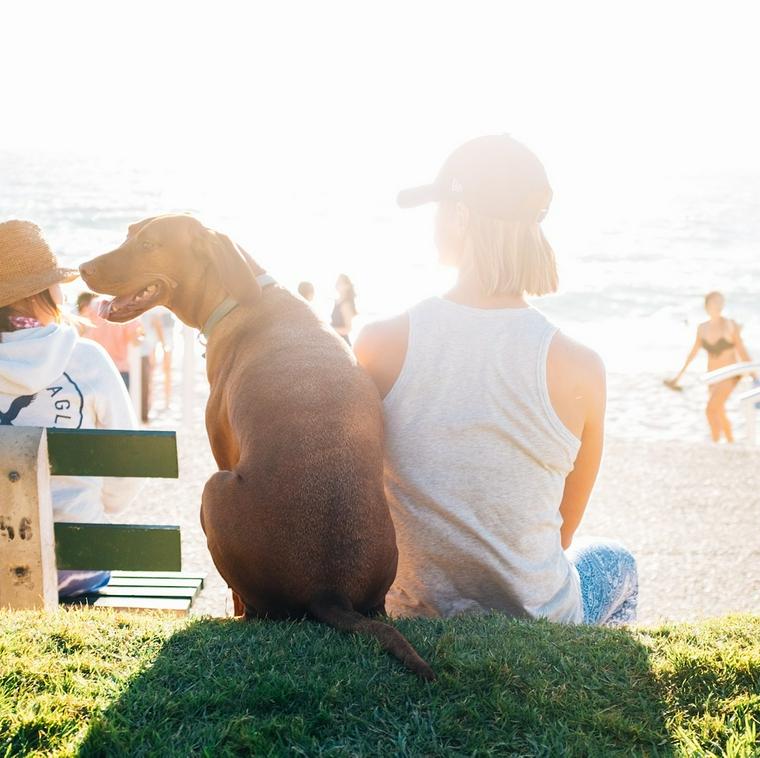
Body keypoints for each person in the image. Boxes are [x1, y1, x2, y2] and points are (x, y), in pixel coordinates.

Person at [354, 135, 637, 627]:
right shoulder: (581, 366)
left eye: (440, 206)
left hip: (414, 611)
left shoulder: (381, 342)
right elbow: (561, 535)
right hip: (539, 617)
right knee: (619, 562)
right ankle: (597, 679)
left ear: (461, 215)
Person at [0, 220, 139, 597]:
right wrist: (103, 508)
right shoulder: (86, 359)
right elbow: (127, 463)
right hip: (79, 564)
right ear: (44, 292)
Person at [666, 291, 754, 442]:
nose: (719, 305)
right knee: (718, 410)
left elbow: (742, 350)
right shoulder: (702, 328)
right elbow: (692, 354)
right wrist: (678, 377)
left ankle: (716, 443)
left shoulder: (730, 325)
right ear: (707, 305)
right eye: (715, 302)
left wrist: (754, 374)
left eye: (721, 302)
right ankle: (730, 442)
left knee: (710, 409)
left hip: (730, 374)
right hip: (712, 375)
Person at [76, 291, 142, 389]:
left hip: (96, 369)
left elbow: (79, 335)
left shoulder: (91, 309)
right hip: (119, 370)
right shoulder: (125, 308)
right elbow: (136, 341)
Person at [331, 274, 357, 344]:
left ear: (347, 286)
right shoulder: (336, 302)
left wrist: (331, 329)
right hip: (336, 340)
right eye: (337, 282)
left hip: (342, 342)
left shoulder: (346, 304)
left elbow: (348, 329)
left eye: (340, 283)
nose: (337, 285)